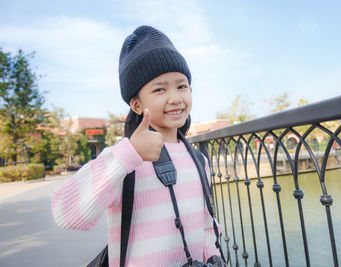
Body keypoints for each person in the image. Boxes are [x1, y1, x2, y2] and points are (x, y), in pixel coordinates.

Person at [51, 25, 222, 267]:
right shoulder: (125, 158)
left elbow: (207, 224)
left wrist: (214, 256)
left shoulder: (198, 160)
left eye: (181, 86)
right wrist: (127, 154)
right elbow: (65, 213)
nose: (175, 97)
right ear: (137, 105)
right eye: (160, 89)